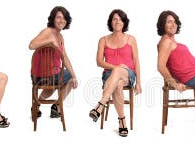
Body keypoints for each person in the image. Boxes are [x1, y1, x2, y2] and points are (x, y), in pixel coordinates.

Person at [88, 9, 141, 137]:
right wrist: (116, 67)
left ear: (124, 22)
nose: (118, 21)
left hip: (128, 74)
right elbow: (99, 62)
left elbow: (136, 61)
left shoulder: (131, 39)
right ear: (111, 22)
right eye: (114, 19)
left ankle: (100, 104)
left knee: (118, 71)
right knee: (117, 84)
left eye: (120, 19)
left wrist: (139, 82)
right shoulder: (103, 40)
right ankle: (122, 120)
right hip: (109, 75)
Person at [28, 6, 79, 120]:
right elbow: (31, 46)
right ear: (53, 19)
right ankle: (56, 106)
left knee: (68, 80)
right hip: (40, 75)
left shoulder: (60, 36)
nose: (61, 20)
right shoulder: (47, 32)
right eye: (58, 17)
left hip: (52, 75)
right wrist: (50, 41)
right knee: (70, 77)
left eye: (64, 18)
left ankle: (39, 104)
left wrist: (74, 76)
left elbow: (64, 57)